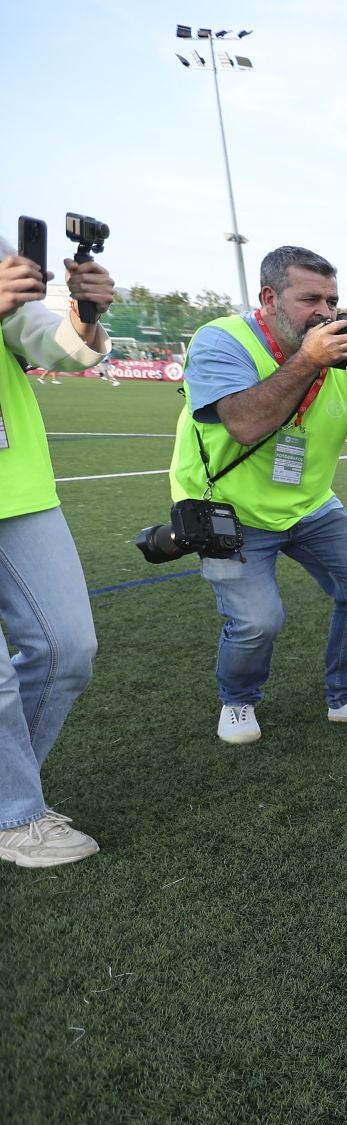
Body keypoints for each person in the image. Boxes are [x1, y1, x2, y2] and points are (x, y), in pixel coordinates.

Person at [169, 246, 347, 745]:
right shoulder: (222, 340)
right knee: (259, 620)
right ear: (269, 298)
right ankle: (238, 701)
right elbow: (245, 424)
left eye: (333, 299)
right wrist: (308, 361)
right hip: (228, 511)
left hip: (308, 505)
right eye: (310, 299)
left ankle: (345, 697)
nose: (326, 312)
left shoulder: (341, 360)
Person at [0, 233, 112, 867]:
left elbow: (52, 345)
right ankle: (15, 814)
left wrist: (84, 315)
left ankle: (9, 799)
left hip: (18, 487)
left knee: (69, 649)